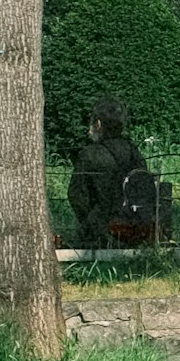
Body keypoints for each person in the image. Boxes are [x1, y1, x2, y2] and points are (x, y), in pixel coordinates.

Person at [69, 97, 154, 248]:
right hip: (135, 228)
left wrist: (90, 224)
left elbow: (77, 196)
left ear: (98, 124)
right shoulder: (133, 151)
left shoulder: (89, 154)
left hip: (101, 232)